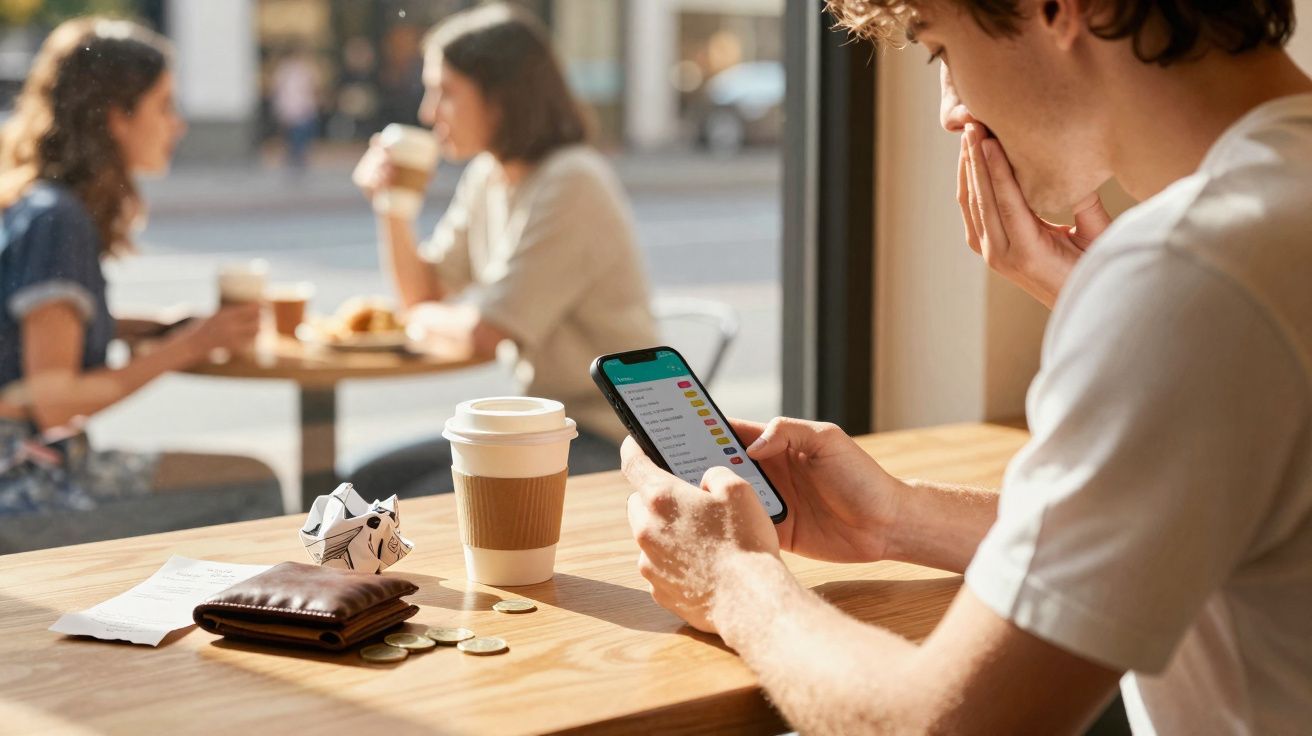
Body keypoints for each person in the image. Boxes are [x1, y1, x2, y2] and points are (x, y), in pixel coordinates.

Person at [619, 1, 1312, 733]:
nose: (952, 111)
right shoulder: (1261, 230)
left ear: (1062, 9)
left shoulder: (1194, 273)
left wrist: (731, 579)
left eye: (940, 50)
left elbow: (943, 725)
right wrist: (896, 520)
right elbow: (1215, 508)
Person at [349, 4, 658, 498]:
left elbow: (483, 334)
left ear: (502, 98)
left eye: (445, 92)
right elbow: (423, 291)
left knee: (411, 498)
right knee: (366, 481)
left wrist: (424, 315)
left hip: (610, 434)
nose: (429, 113)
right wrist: (393, 205)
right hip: (544, 424)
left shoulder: (572, 181)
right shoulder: (488, 176)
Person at [0, 18, 283, 553]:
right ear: (116, 117)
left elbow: (26, 335)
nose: (177, 125)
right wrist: (190, 345)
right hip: (25, 483)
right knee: (253, 483)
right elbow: (54, 400)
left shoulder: (40, 202)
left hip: (28, 467)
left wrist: (138, 326)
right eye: (164, 106)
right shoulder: (59, 219)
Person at [271, 47, 320, 171]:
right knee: (295, 135)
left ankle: (297, 156)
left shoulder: (300, 69)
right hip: (294, 108)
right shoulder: (287, 71)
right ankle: (295, 157)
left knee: (301, 135)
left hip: (302, 108)